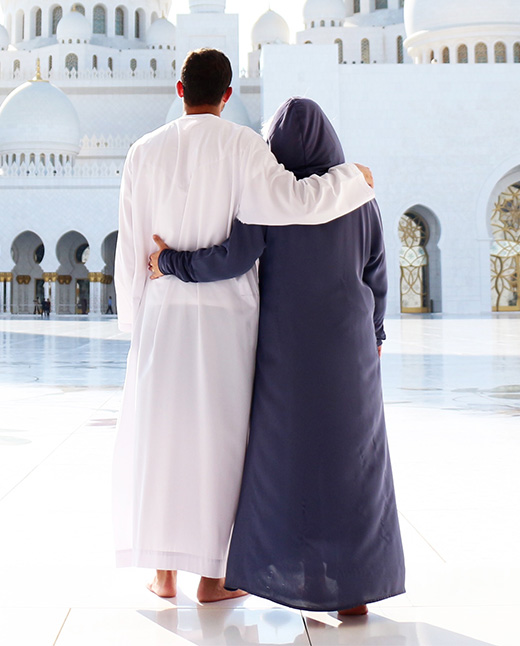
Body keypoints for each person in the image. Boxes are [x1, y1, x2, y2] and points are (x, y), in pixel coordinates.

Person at [114, 49, 375, 604]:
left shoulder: (142, 150)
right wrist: (353, 181)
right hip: (228, 320)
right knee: (222, 447)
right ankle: (213, 578)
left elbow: (131, 244)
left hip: (163, 313)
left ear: (178, 90)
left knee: (163, 439)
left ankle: (163, 576)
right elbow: (293, 202)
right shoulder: (243, 145)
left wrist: (136, 321)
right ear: (228, 96)